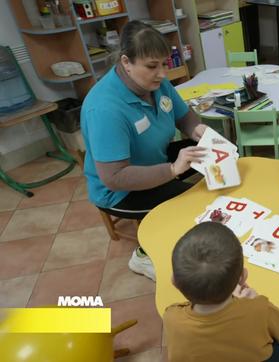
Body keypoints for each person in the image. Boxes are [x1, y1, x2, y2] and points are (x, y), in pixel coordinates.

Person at [81, 21, 207, 281]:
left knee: (211, 159)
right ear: (126, 62)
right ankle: (143, 255)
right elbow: (114, 178)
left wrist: (198, 132)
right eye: (152, 66)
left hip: (155, 161)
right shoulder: (105, 108)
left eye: (165, 64)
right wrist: (173, 170)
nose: (162, 73)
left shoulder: (156, 83)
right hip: (120, 191)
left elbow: (184, 117)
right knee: (194, 206)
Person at [164, 222, 279, 362]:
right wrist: (248, 302)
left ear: (174, 282)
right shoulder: (259, 308)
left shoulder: (171, 317)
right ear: (243, 277)